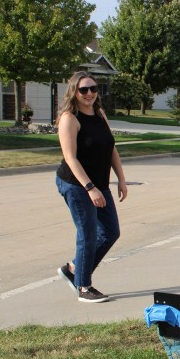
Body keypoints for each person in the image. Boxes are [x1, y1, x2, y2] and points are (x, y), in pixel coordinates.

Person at [55, 71, 127, 303]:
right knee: (87, 234)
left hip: (99, 183)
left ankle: (74, 269)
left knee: (111, 231)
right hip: (76, 184)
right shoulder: (70, 118)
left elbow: (111, 148)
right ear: (73, 92)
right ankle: (84, 286)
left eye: (93, 89)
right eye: (83, 89)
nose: (89, 94)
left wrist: (121, 179)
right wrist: (90, 188)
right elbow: (70, 158)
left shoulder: (99, 114)